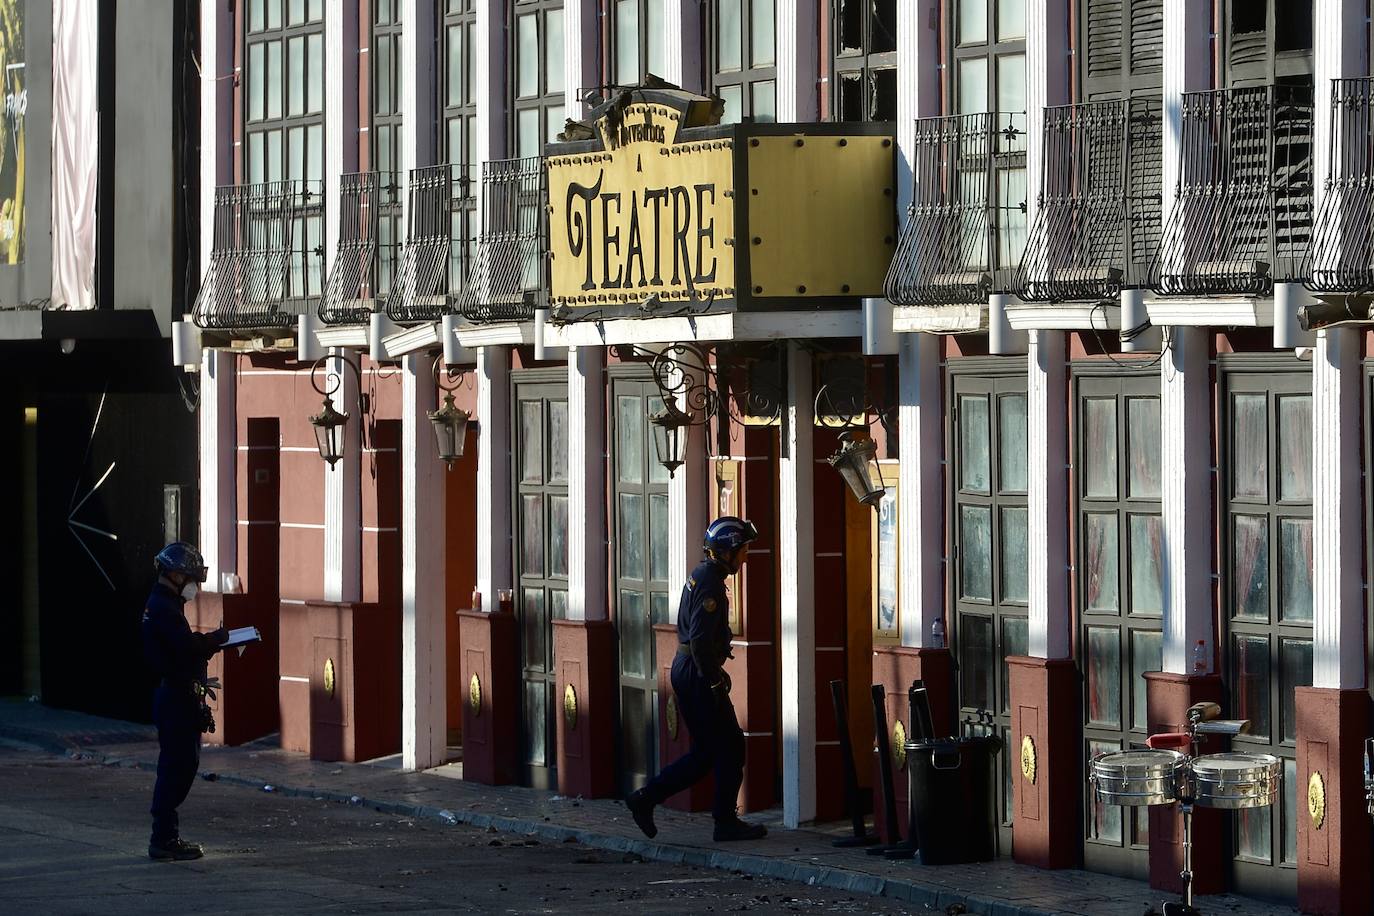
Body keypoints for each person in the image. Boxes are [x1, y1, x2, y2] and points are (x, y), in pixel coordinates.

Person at [626, 517, 767, 843]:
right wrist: (713, 680)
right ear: (727, 551)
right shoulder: (710, 584)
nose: (745, 557)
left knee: (709, 753)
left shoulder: (706, 575)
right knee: (730, 746)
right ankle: (722, 822)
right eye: (743, 550)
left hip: (691, 669)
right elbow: (702, 640)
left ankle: (648, 799)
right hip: (695, 671)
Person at [141, 541, 227, 861]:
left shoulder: (165, 604)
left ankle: (165, 835)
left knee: (181, 764)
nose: (193, 586)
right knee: (178, 766)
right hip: (175, 697)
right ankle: (164, 837)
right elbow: (185, 648)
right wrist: (216, 640)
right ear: (175, 575)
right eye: (190, 578)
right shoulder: (163, 608)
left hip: (178, 696)